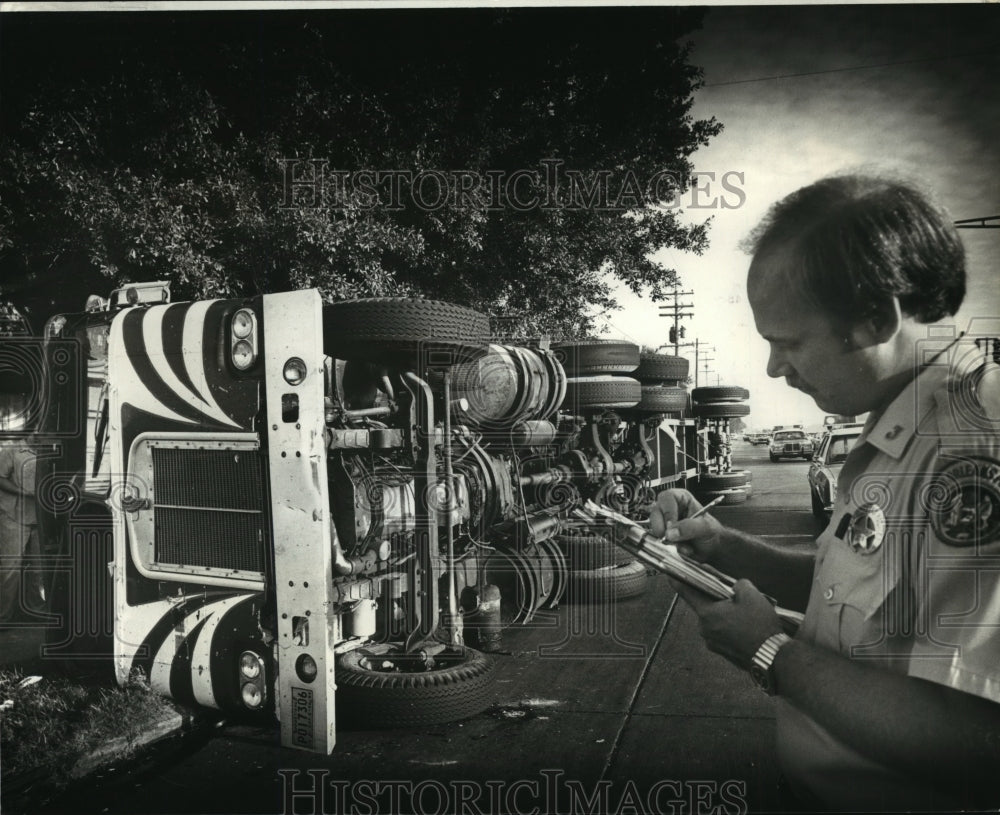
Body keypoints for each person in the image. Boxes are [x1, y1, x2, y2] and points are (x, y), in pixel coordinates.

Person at [649, 174, 1000, 811]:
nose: (774, 369)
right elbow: (854, 596)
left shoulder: (975, 450)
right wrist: (722, 547)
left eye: (789, 341)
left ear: (876, 317)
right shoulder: (904, 425)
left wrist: (769, 651)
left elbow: (979, 748)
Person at [0, 440, 41, 621]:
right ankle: (3, 616)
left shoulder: (48, 450)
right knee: (11, 569)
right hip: (14, 515)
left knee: (37, 569)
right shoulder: (13, 449)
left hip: (39, 517)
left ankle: (35, 610)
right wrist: (22, 492)